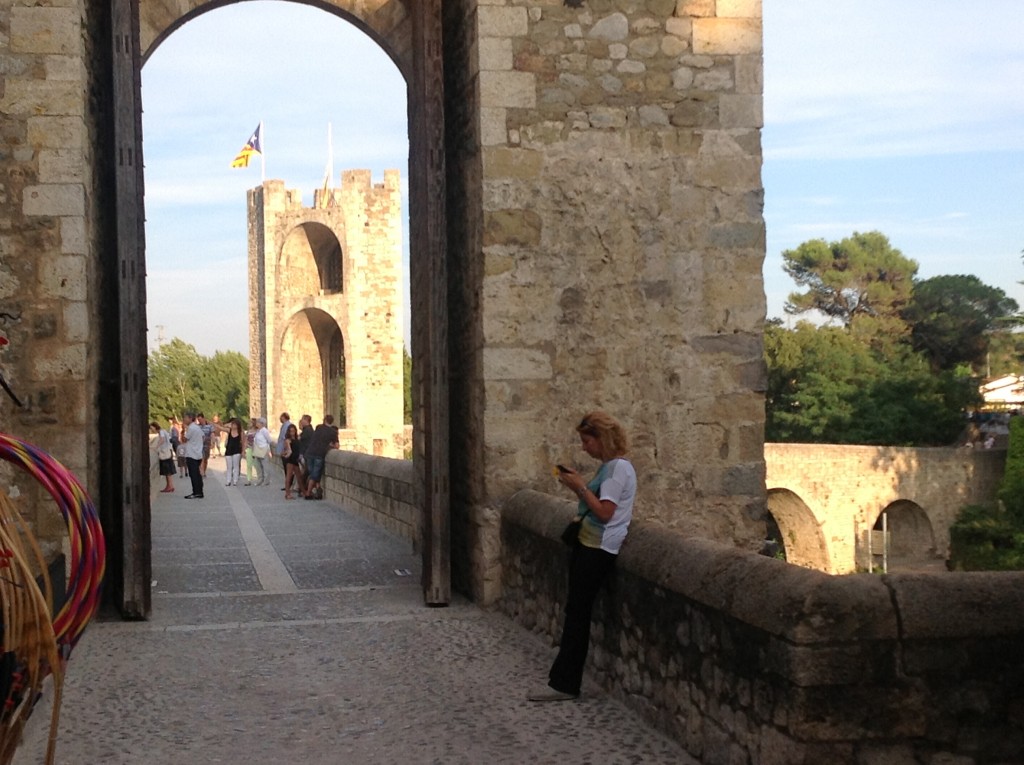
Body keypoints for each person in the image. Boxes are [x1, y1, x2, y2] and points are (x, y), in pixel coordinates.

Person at [528, 411, 636, 702]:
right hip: (591, 544)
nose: (584, 447)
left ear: (603, 439)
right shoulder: (611, 468)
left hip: (598, 548)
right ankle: (563, 680)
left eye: (587, 441)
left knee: (577, 614)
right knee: (575, 612)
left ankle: (565, 683)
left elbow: (604, 512)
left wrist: (580, 487)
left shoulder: (617, 470)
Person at [303, 414, 339, 500]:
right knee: (315, 475)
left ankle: (316, 490)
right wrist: (330, 445)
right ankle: (309, 493)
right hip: (319, 454)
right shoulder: (333, 432)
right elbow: (337, 446)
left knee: (313, 474)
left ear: (324, 420)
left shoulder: (318, 427)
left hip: (310, 452)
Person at [181, 412, 205, 499]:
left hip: (191, 454)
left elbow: (184, 439)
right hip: (198, 453)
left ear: (190, 418)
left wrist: (183, 430)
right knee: (197, 474)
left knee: (193, 474)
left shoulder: (191, 428)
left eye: (185, 418)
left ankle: (196, 492)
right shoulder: (197, 427)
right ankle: (200, 491)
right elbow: (203, 437)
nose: (184, 419)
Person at [151, 421, 175, 493]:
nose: (152, 430)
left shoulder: (161, 432)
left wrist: (156, 447)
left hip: (165, 453)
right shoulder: (164, 431)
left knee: (167, 471)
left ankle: (169, 486)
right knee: (168, 471)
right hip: (168, 452)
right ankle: (169, 486)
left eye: (152, 428)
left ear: (155, 427)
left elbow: (162, 440)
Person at [281, 424, 302, 499]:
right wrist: (286, 455)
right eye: (290, 431)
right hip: (290, 460)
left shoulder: (297, 439)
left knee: (299, 477)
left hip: (295, 459)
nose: (292, 433)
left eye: (293, 431)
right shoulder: (288, 440)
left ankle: (303, 491)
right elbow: (288, 450)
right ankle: (287, 493)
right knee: (289, 477)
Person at [221, 417, 243, 486]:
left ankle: (235, 481)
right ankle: (228, 481)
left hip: (237, 451)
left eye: (234, 424)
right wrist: (211, 423)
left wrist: (243, 451)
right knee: (229, 467)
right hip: (229, 451)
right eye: (232, 424)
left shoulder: (240, 432)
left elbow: (243, 442)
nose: (233, 426)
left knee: (236, 466)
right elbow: (221, 427)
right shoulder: (229, 431)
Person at [252, 417, 273, 487]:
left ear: (262, 423)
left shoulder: (264, 431)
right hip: (258, 449)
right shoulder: (258, 431)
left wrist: (268, 450)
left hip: (263, 449)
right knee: (258, 466)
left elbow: (269, 440)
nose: (256, 423)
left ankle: (266, 480)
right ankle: (260, 479)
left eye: (258, 422)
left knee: (265, 466)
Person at [276, 412, 292, 490]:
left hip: (285, 449)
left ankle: (288, 484)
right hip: (283, 448)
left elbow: (285, 438)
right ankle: (288, 484)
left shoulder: (287, 425)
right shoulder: (285, 425)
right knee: (286, 467)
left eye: (281, 417)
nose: (280, 419)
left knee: (287, 468)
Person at [244, 419, 257, 485]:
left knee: (257, 464)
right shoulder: (248, 431)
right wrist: (244, 449)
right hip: (249, 448)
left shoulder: (258, 431)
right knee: (249, 465)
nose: (249, 423)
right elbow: (245, 440)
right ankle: (249, 479)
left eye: (251, 422)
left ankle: (259, 478)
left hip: (256, 449)